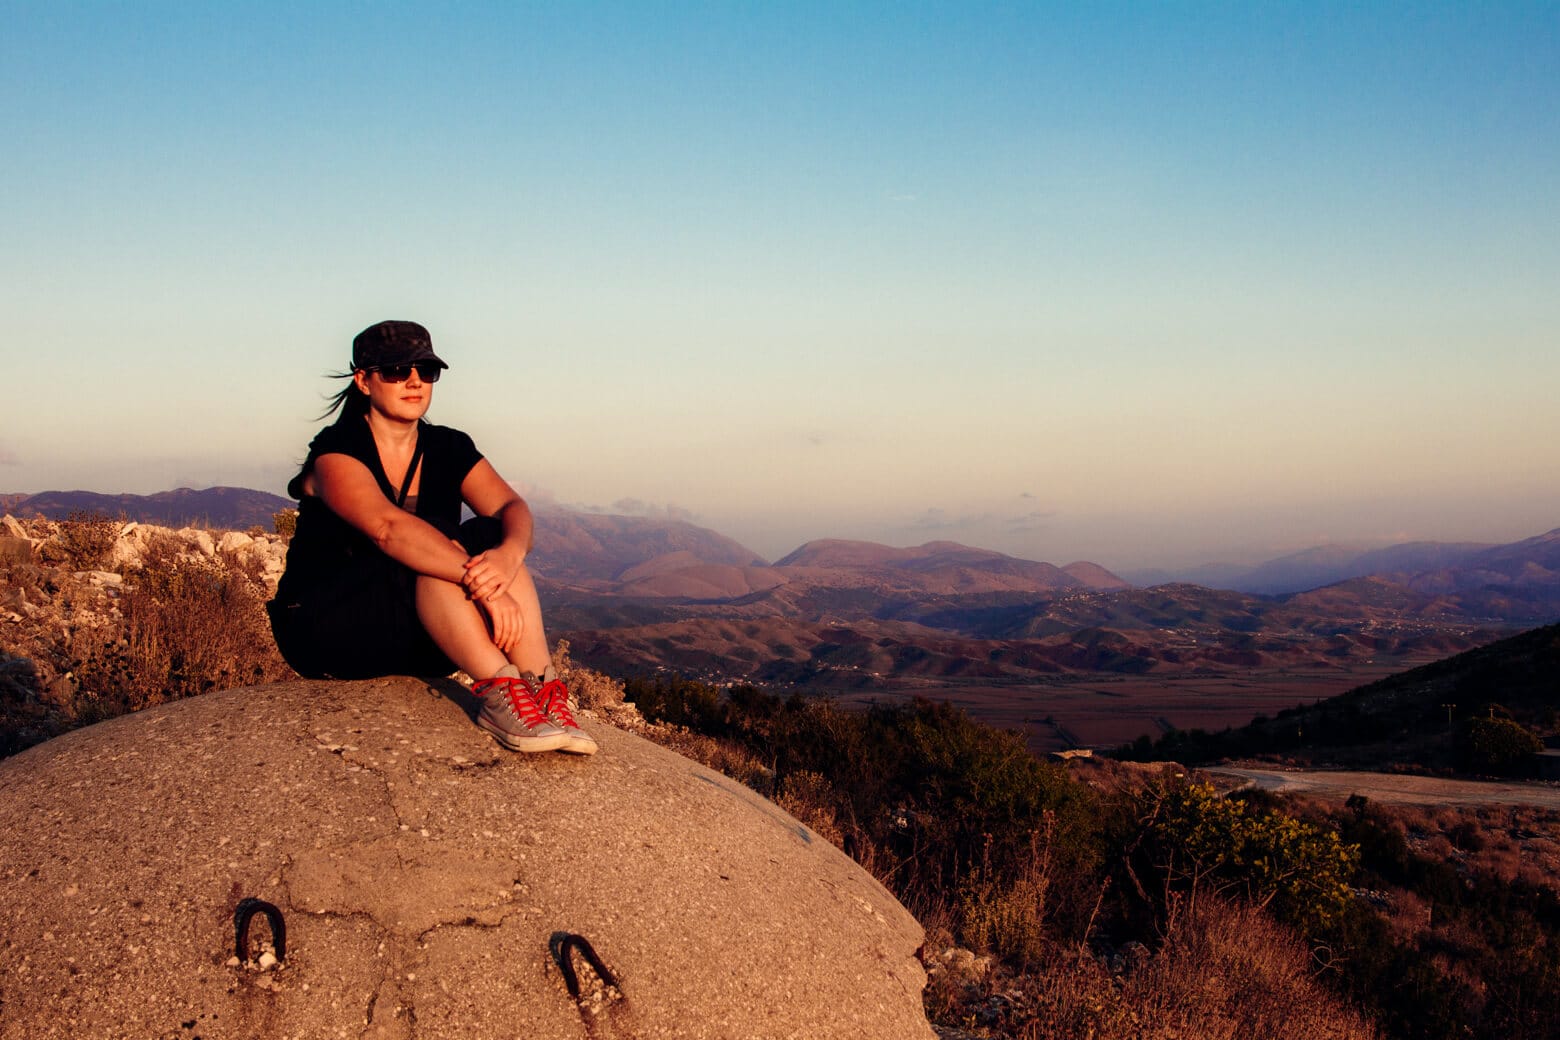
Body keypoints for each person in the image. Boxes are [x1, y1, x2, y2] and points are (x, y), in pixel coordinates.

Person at [267, 320, 595, 755]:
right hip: (327, 627)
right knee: (440, 538)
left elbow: (512, 508)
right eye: (396, 371)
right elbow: (388, 530)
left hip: (421, 628)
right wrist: (487, 588)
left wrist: (507, 557)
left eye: (426, 371)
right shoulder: (336, 451)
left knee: (492, 535)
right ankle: (501, 689)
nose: (414, 381)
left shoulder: (448, 446)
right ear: (363, 380)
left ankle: (542, 691)